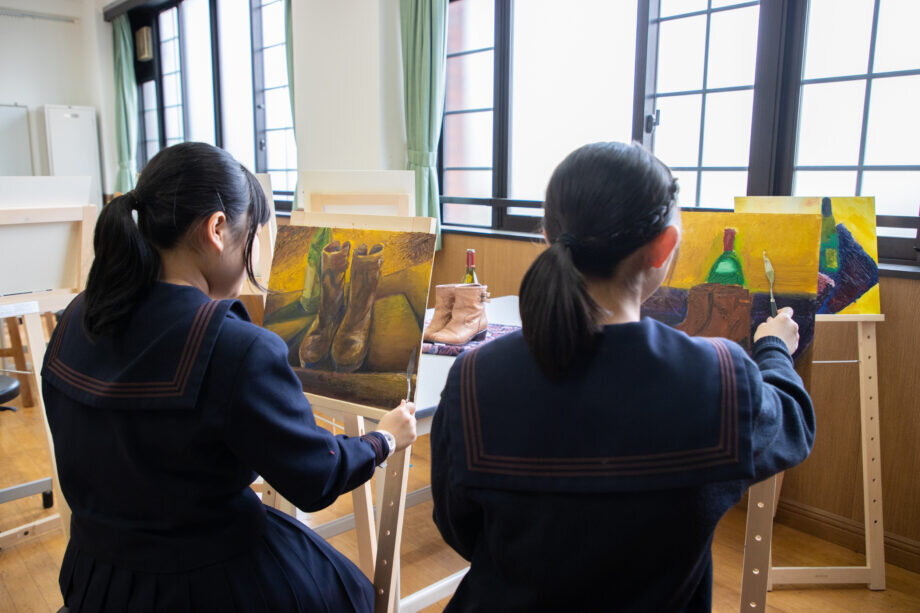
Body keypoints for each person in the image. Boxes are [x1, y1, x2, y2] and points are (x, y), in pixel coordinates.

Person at [430, 142, 815, 612]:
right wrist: (774, 347)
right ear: (664, 247)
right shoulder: (719, 377)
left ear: (548, 237)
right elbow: (794, 425)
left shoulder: (473, 377)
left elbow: (458, 526)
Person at [42, 142, 417, 612]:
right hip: (202, 585)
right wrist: (382, 439)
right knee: (353, 595)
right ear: (217, 229)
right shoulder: (234, 346)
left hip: (97, 580)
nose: (253, 253)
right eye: (251, 236)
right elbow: (314, 477)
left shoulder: (76, 318)